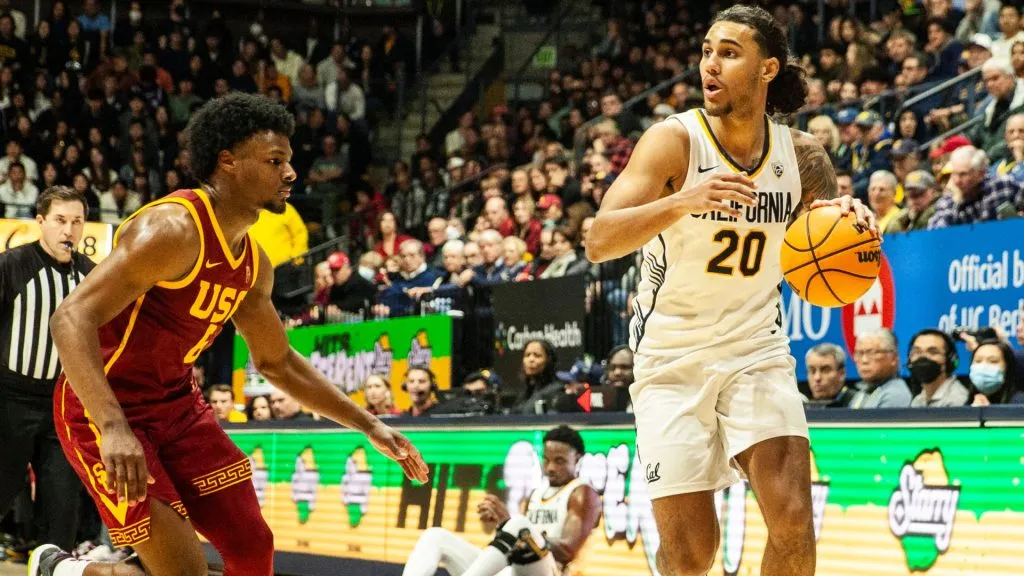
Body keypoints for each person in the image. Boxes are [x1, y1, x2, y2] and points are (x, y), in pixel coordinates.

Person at [31, 94, 428, 576]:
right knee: (185, 572)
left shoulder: (254, 264)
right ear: (228, 162)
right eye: (275, 161)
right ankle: (66, 571)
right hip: (105, 409)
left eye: (290, 161)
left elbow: (277, 362)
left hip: (177, 405)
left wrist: (368, 424)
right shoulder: (171, 229)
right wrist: (113, 427)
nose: (290, 173)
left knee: (252, 548)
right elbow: (69, 319)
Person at [585, 7, 878, 575]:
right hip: (670, 357)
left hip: (755, 348)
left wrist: (852, 221)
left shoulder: (803, 156)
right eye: (705, 51)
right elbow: (598, 240)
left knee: (794, 523)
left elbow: (825, 235)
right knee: (692, 554)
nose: (708, 66)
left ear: (767, 68)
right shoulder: (673, 142)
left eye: (727, 53)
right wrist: (681, 201)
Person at [0, 187, 96, 554]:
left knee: (62, 513)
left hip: (64, 406)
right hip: (10, 399)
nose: (68, 230)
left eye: (76, 222)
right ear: (40, 222)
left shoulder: (92, 277)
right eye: (60, 220)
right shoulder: (11, 265)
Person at [402, 425, 601, 576]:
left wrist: (512, 527)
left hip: (556, 572)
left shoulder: (582, 492)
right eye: (547, 460)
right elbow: (519, 548)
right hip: (523, 570)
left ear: (578, 459)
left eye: (559, 461)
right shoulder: (537, 493)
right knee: (436, 536)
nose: (550, 468)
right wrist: (504, 529)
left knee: (518, 524)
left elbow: (566, 552)